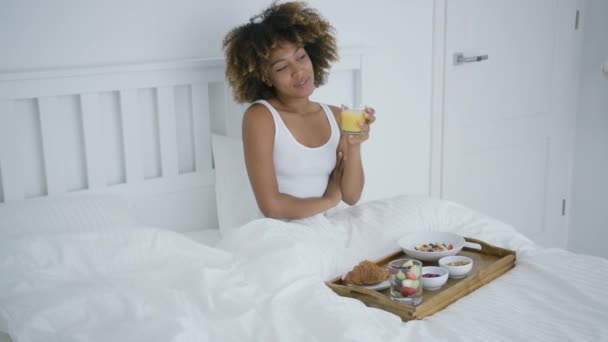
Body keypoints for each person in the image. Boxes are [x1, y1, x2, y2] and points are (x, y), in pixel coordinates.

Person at [222, 1, 376, 220]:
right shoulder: (261, 117)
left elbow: (351, 196)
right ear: (267, 77)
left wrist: (354, 145)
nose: (298, 71)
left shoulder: (336, 115)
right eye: (282, 67)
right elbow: (272, 206)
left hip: (331, 228)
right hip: (286, 235)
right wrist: (329, 201)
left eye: (301, 57)